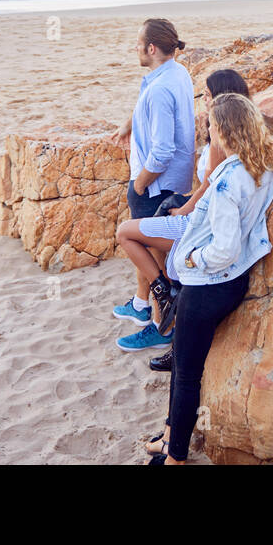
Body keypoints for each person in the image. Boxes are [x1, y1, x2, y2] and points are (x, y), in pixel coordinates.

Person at [144, 92, 273, 464]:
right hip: (233, 283)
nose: (208, 131)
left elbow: (224, 249)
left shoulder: (225, 183)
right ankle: (172, 433)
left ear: (223, 130)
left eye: (211, 125)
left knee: (186, 374)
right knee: (184, 369)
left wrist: (190, 258)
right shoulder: (264, 167)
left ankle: (175, 457)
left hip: (207, 286)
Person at [119, 68, 253, 368]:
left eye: (206, 94)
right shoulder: (228, 127)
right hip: (201, 212)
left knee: (129, 233)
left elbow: (209, 187)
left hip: (200, 222)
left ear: (221, 96)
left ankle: (161, 302)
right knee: (152, 236)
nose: (203, 100)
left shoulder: (222, 136)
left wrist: (183, 209)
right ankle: (158, 307)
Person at [107, 18, 196, 351]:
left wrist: (141, 185)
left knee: (154, 256)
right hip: (174, 180)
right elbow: (152, 106)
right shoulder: (176, 72)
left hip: (157, 186)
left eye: (138, 43)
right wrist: (129, 124)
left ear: (152, 48)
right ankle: (141, 304)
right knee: (149, 248)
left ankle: (160, 328)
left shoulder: (159, 89)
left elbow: (161, 151)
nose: (135, 48)